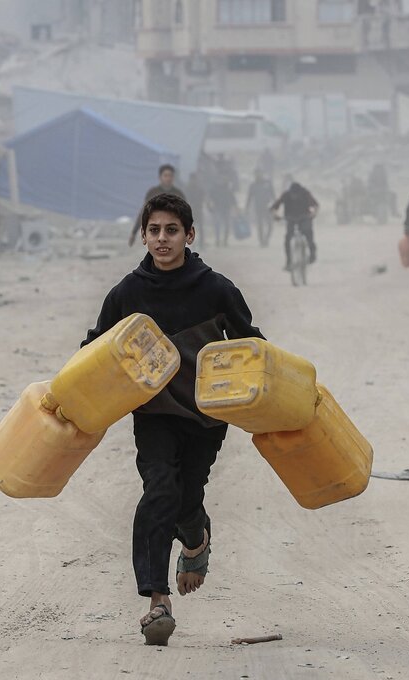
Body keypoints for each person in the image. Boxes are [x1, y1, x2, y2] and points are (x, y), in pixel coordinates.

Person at [82, 193, 264, 646]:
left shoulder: (216, 288)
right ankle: (157, 600)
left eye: (171, 231)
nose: (162, 239)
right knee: (160, 490)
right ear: (143, 236)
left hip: (206, 417)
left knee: (186, 499)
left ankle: (196, 539)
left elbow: (253, 346)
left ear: (189, 235)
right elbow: (92, 351)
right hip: (155, 415)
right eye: (154, 231)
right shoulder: (127, 293)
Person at [129, 164, 186, 246]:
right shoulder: (153, 193)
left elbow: (185, 215)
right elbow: (143, 212)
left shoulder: (178, 194)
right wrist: (134, 232)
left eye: (170, 176)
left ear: (173, 178)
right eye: (165, 176)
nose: (168, 178)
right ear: (160, 177)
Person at [270, 181, 319, 269]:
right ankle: (289, 261)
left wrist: (314, 214)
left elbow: (315, 205)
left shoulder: (305, 193)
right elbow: (274, 207)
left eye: (296, 195)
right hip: (290, 218)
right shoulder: (286, 195)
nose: (294, 196)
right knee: (288, 238)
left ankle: (312, 255)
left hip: (304, 217)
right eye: (293, 194)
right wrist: (275, 215)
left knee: (308, 234)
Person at [245, 169, 276, 247]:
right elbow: (249, 197)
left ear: (262, 173)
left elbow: (273, 195)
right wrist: (247, 208)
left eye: (260, 173)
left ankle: (266, 239)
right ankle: (261, 241)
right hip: (258, 207)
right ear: (254, 175)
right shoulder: (253, 185)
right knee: (260, 225)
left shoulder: (268, 183)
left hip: (268, 207)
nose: (258, 175)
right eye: (256, 174)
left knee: (270, 225)